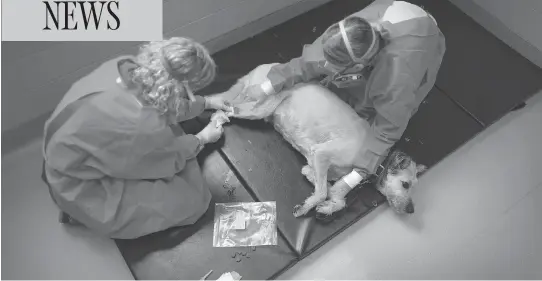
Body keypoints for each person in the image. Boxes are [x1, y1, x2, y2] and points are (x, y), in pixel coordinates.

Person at [41, 37, 232, 239]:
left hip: (68, 150)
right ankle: (81, 214)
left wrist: (206, 103)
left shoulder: (125, 65)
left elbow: (162, 104)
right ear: (180, 89)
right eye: (193, 92)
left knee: (167, 132)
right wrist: (202, 138)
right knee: (192, 199)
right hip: (81, 186)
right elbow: (166, 159)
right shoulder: (142, 127)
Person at [244, 0, 446, 178]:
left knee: (375, 115)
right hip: (390, 10)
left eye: (335, 65)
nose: (325, 65)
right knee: (332, 80)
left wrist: (355, 178)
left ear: (358, 67)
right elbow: (308, 63)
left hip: (421, 33)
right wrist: (265, 87)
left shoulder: (396, 78)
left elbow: (387, 131)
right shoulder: (344, 37)